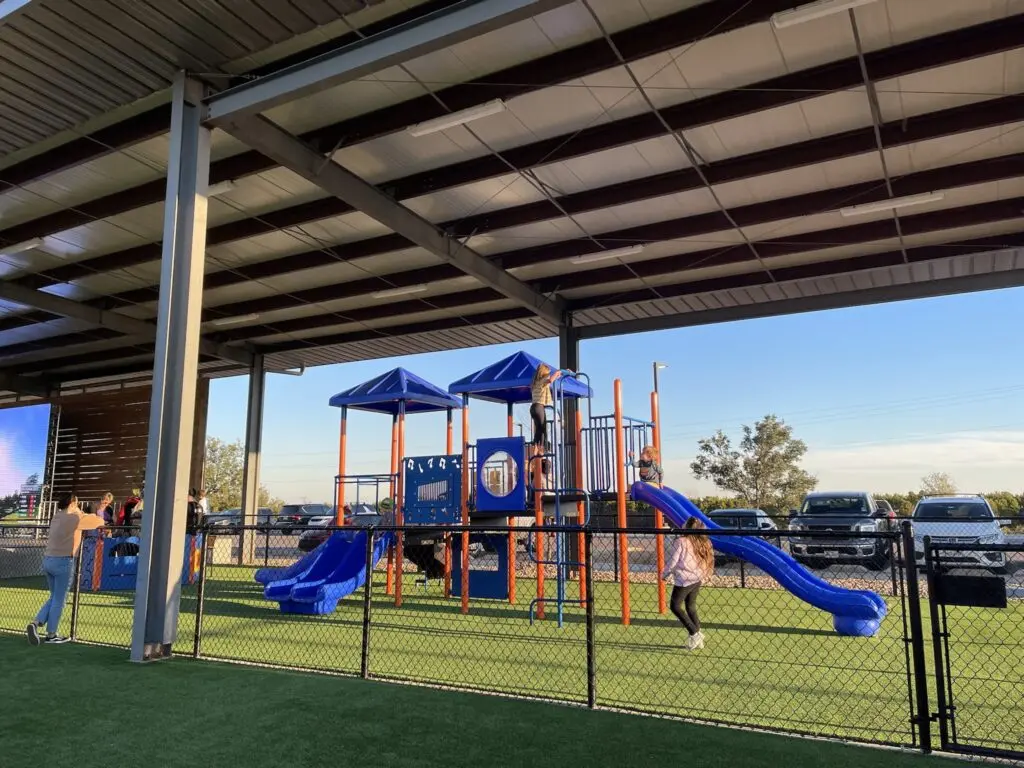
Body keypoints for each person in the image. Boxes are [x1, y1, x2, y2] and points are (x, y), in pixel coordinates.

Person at [28, 493, 105, 645]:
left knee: (54, 597)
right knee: (60, 600)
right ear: (72, 504)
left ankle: (36, 622)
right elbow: (99, 521)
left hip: (48, 559)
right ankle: (51, 634)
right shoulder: (76, 517)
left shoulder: (56, 517)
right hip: (63, 561)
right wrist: (81, 512)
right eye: (76, 503)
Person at [661, 517, 715, 651]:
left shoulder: (681, 541)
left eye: (684, 524)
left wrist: (664, 574)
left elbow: (673, 561)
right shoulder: (702, 541)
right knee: (690, 606)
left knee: (675, 606)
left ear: (688, 527)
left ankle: (694, 633)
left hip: (684, 580)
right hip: (697, 577)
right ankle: (697, 636)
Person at [528, 363, 564, 448]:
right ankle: (540, 446)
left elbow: (553, 378)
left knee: (540, 428)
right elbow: (551, 380)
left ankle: (539, 445)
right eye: (547, 373)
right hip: (539, 407)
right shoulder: (543, 380)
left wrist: (562, 373)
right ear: (544, 373)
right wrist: (559, 371)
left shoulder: (536, 382)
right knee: (542, 428)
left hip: (533, 408)